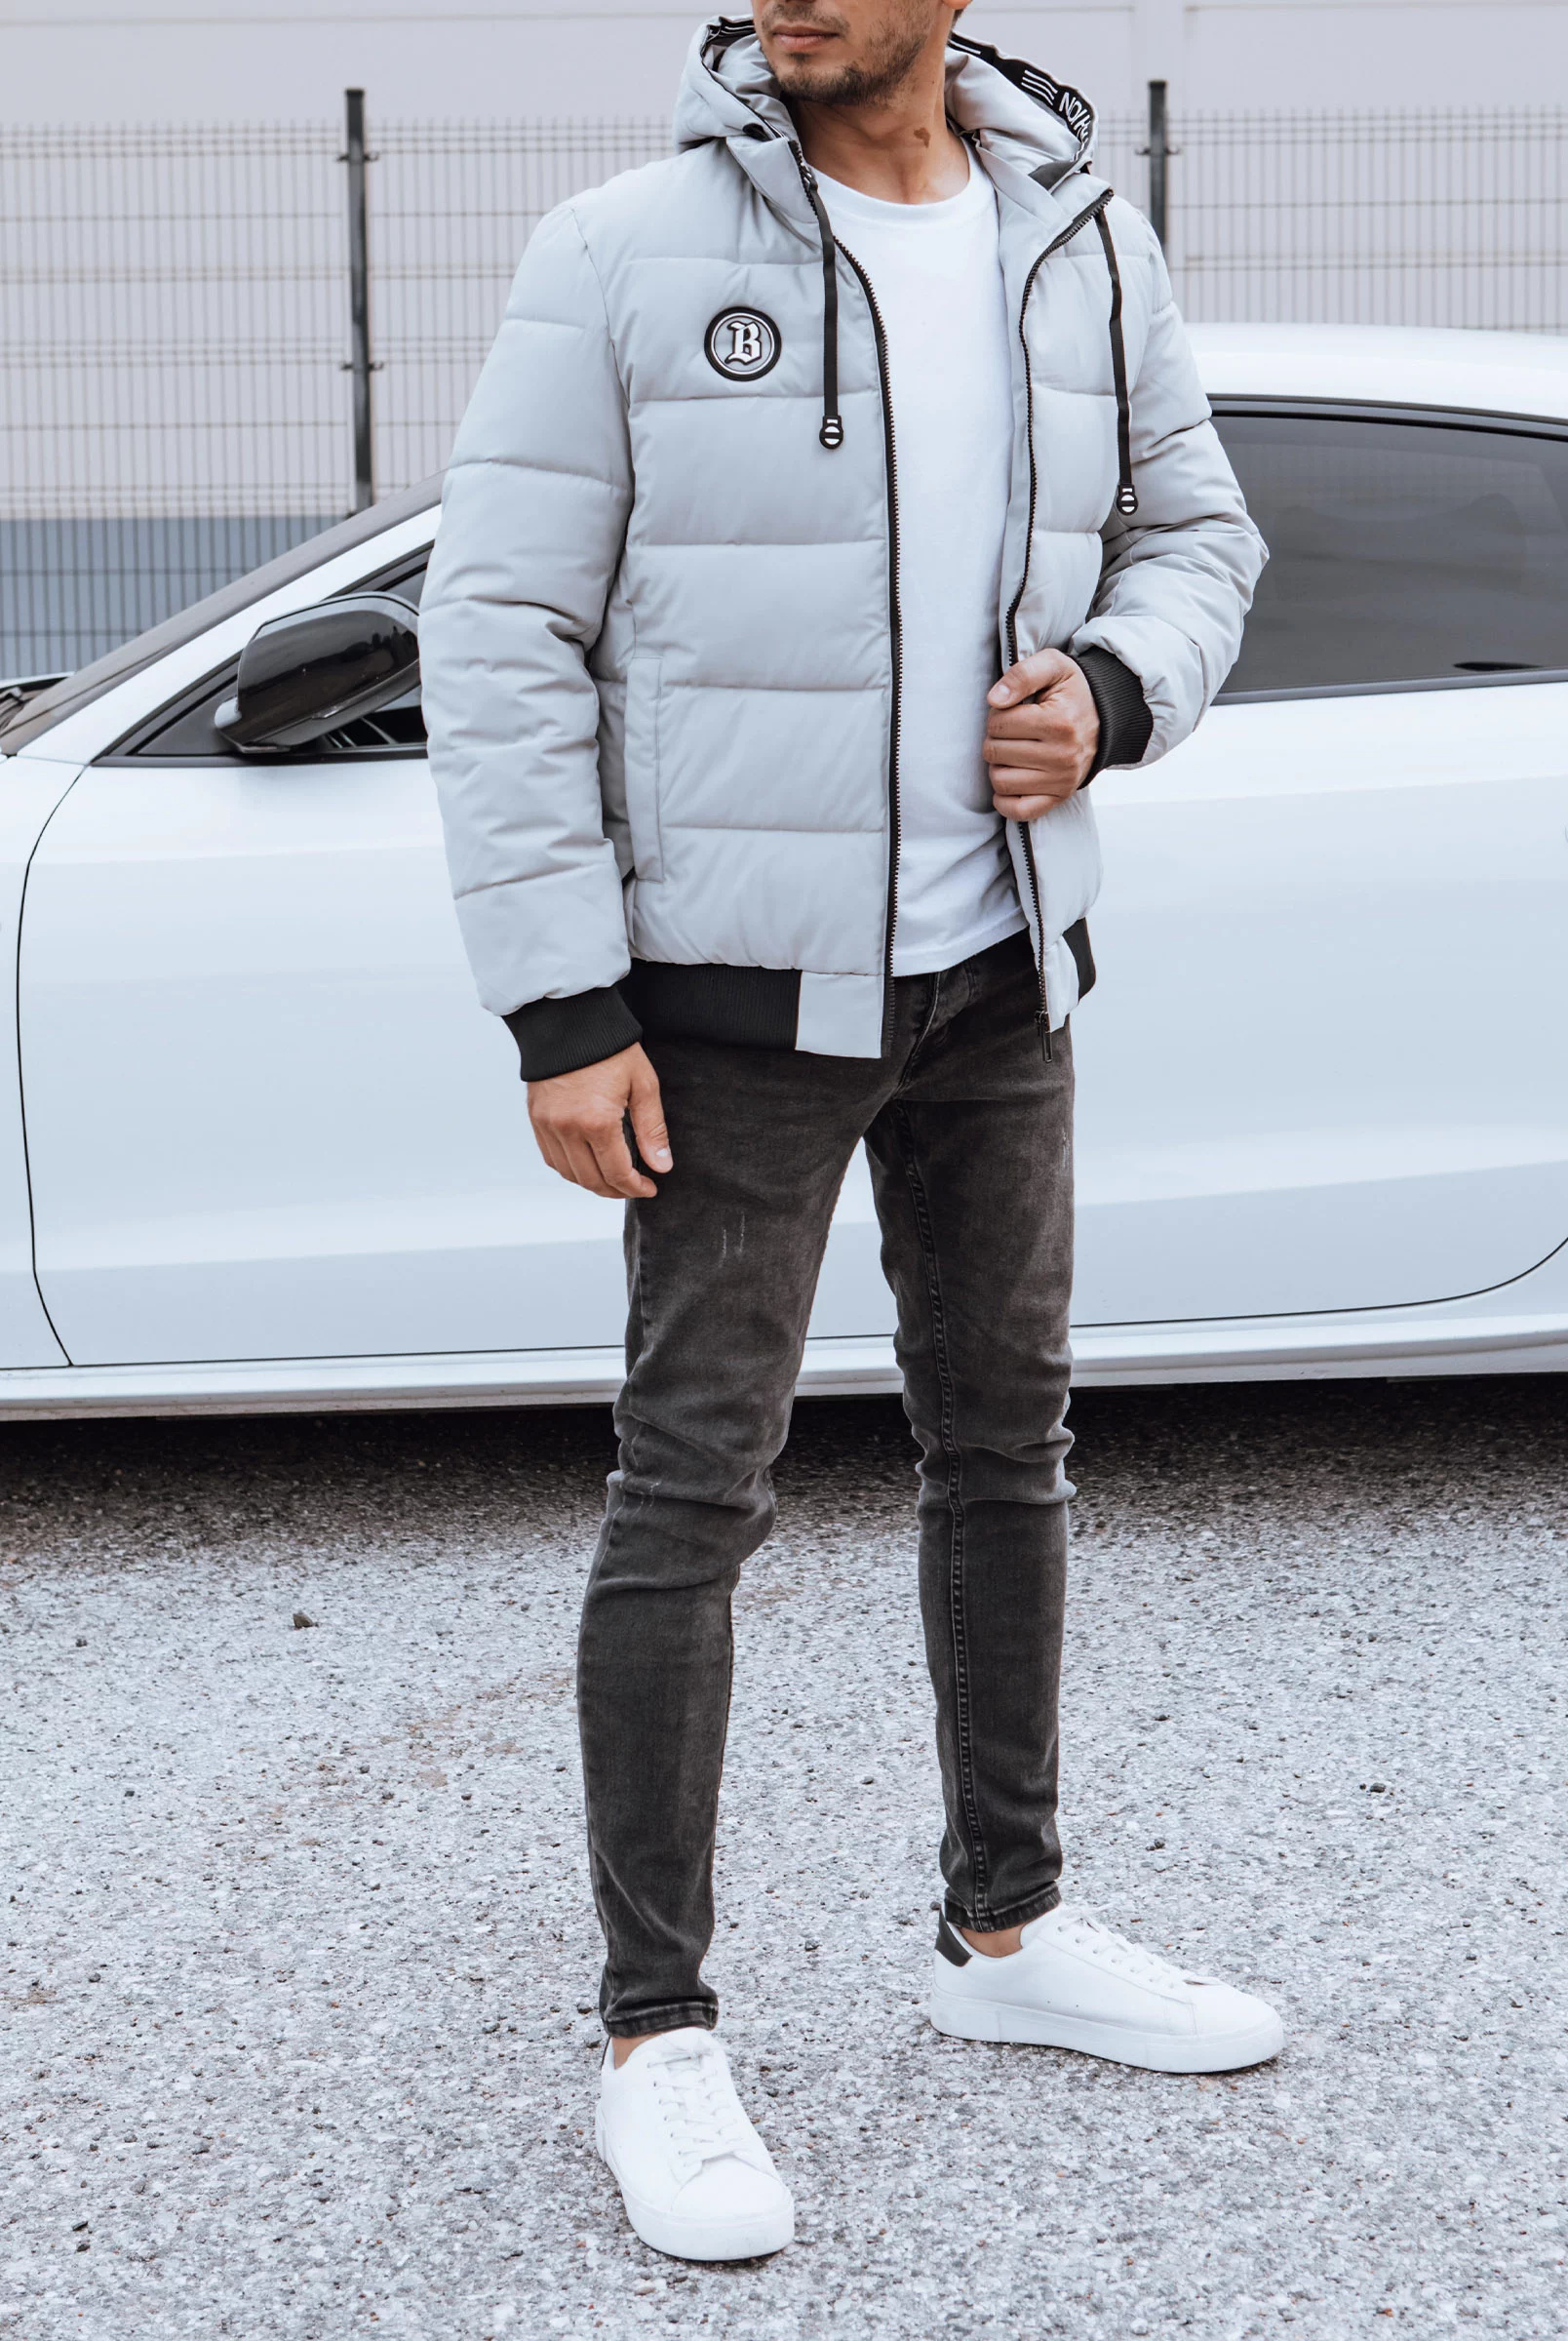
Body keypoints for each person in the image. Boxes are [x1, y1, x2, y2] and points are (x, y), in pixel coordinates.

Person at [421, 0, 1274, 2267]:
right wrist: (563, 1004)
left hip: (998, 970)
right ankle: (654, 2036)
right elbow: (498, 629)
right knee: (690, 1493)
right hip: (728, 1001)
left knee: (1008, 1450)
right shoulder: (619, 251)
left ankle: (1009, 1929)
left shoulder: (1081, 239)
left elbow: (1201, 533)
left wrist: (1116, 692)